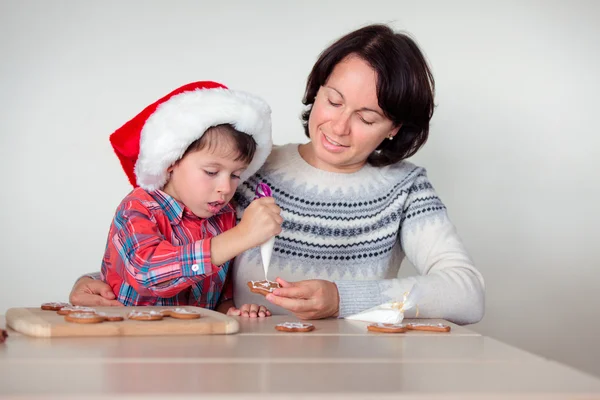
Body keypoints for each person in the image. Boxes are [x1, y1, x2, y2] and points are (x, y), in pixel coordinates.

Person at [70, 24, 484, 324]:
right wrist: (95, 282)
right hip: (240, 372)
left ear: (394, 127)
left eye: (367, 117)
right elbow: (169, 241)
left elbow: (466, 295)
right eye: (333, 101)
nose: (339, 127)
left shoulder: (405, 188)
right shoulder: (245, 170)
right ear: (316, 90)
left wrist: (342, 299)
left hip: (356, 371)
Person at [95, 81, 282, 317]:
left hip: (198, 344)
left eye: (236, 175)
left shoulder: (223, 216)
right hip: (136, 342)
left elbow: (219, 292)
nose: (225, 188)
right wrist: (240, 237)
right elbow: (147, 275)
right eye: (211, 172)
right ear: (172, 162)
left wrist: (231, 311)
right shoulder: (138, 208)